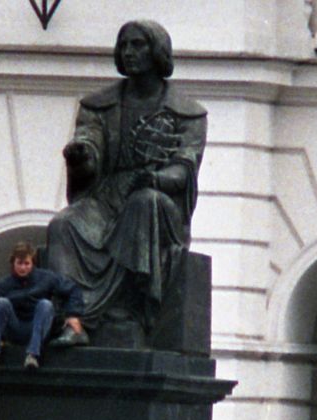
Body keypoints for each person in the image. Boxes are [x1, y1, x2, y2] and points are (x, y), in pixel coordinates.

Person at [46, 20, 207, 344]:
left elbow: (185, 167)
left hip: (158, 203)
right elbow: (90, 142)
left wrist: (157, 179)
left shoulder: (188, 113)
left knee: (142, 203)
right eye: (124, 46)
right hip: (107, 198)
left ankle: (132, 311)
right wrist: (82, 155)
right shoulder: (98, 105)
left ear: (157, 51)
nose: (129, 52)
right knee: (63, 225)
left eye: (138, 45)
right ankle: (75, 322)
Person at [0, 241, 86, 369]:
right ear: (13, 263)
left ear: (33, 263)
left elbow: (73, 290)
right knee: (0, 302)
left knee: (45, 304)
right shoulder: (2, 285)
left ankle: (33, 355)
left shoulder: (46, 278)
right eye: (19, 263)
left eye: (26, 263)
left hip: (38, 327)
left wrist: (73, 314)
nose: (23, 268)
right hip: (14, 328)